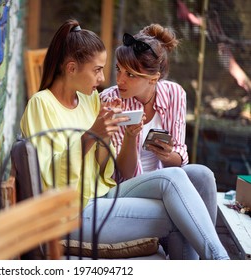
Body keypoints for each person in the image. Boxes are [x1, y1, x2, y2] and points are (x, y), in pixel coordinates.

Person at [20, 19, 229, 260]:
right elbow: (51, 180)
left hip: (101, 194)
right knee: (183, 208)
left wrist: (109, 137)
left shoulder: (89, 101)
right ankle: (220, 263)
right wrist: (92, 136)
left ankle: (215, 263)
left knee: (183, 177)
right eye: (98, 70)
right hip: (71, 210)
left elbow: (102, 171)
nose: (103, 79)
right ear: (71, 68)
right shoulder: (41, 105)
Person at [99, 24, 218, 227]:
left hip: (168, 178)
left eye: (131, 74)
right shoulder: (110, 99)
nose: (120, 80)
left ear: (153, 79)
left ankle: (202, 256)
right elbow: (123, 174)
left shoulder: (175, 94)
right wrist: (130, 137)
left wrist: (167, 154)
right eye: (118, 70)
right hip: (128, 187)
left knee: (204, 175)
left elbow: (179, 157)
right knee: (173, 183)